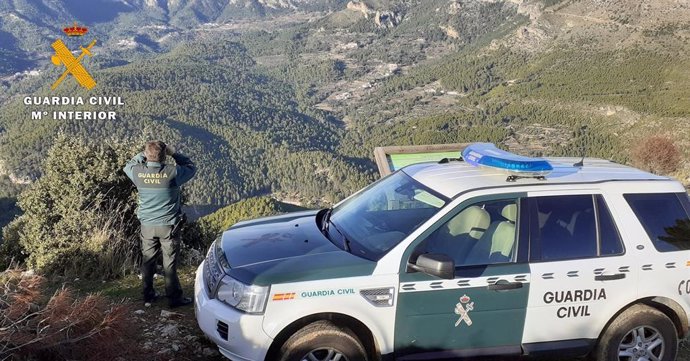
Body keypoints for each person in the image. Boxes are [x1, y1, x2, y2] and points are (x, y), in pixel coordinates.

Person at [123, 140, 197, 308]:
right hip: (168, 225)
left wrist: (145, 154)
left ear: (146, 156)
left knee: (148, 260)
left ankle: (148, 296)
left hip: (147, 225)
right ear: (164, 157)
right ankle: (174, 298)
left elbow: (129, 165)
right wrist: (173, 153)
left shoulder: (137, 172)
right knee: (169, 263)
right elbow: (191, 167)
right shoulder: (172, 173)